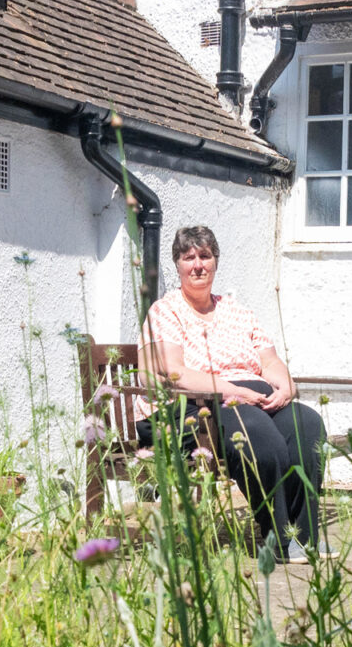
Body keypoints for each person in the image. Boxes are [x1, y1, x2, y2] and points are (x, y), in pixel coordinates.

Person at [136, 225, 329, 563]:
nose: (198, 265)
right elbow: (172, 372)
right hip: (192, 408)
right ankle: (279, 540)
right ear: (177, 265)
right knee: (254, 431)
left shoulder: (238, 312)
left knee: (307, 425)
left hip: (252, 400)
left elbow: (269, 361)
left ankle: (304, 538)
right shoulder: (165, 311)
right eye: (188, 257)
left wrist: (285, 387)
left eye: (205, 256)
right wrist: (234, 391)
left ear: (215, 261)